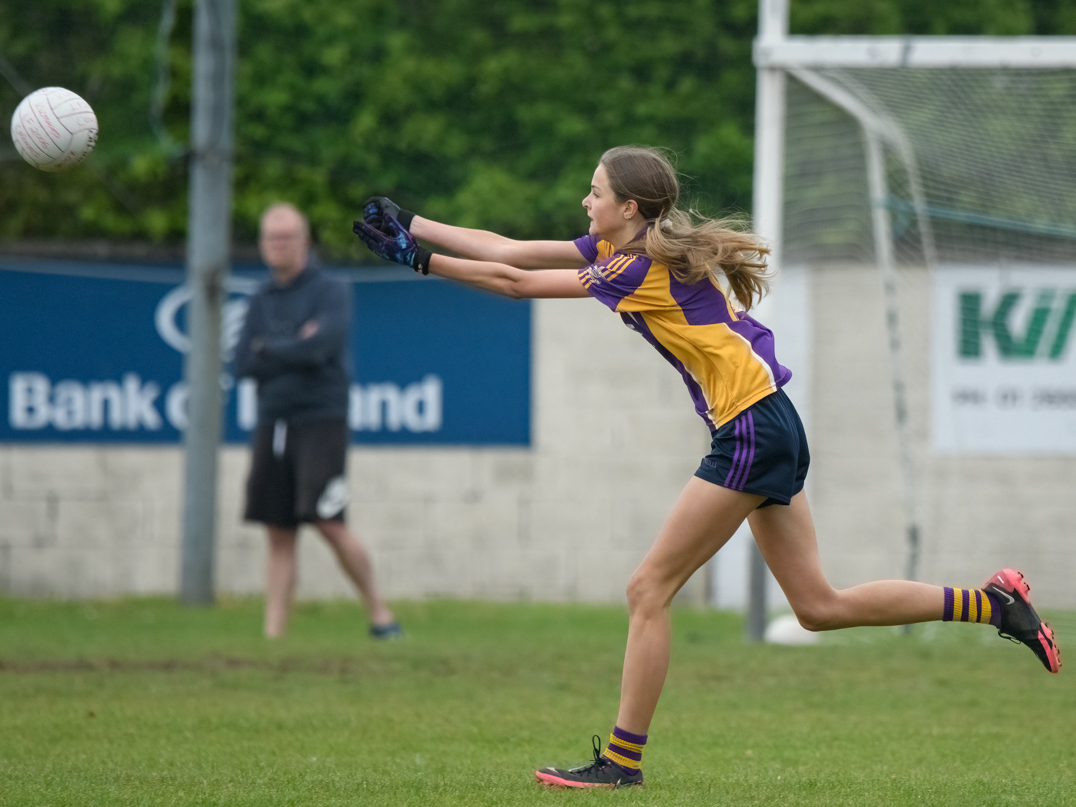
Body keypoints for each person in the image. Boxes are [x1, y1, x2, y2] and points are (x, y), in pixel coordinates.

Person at [352, 147, 1061, 789]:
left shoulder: (632, 264)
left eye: (595, 192)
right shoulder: (628, 245)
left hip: (752, 429)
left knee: (647, 587)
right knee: (817, 605)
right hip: (771, 422)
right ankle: (992, 601)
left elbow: (513, 281)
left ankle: (621, 762)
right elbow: (510, 249)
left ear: (629, 208)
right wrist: (416, 224)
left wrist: (418, 259)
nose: (584, 201)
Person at [235, 202, 400, 640]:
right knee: (278, 529)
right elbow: (241, 363)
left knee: (327, 521)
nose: (278, 245)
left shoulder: (331, 290)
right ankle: (274, 634)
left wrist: (269, 348)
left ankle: (380, 614)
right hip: (273, 420)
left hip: (322, 419)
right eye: (271, 237)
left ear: (304, 242)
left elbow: (321, 349)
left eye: (286, 237)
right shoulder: (260, 298)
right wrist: (287, 346)